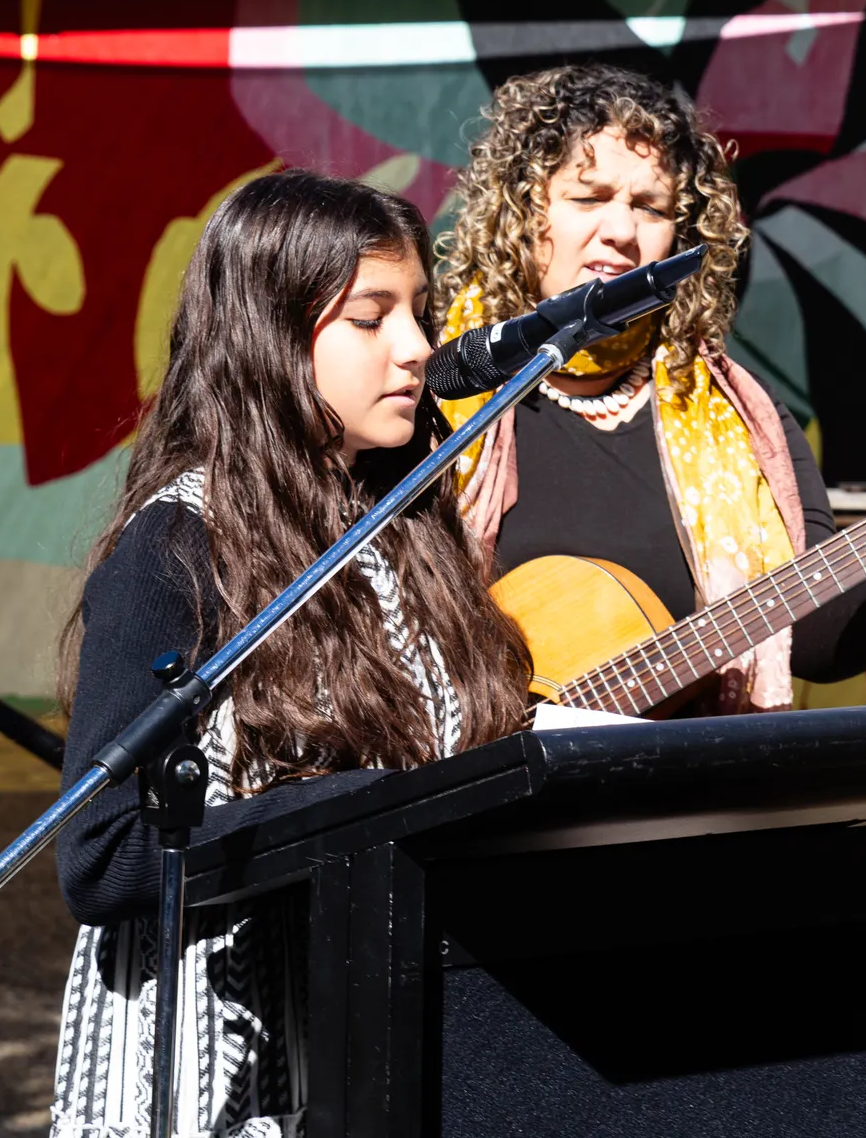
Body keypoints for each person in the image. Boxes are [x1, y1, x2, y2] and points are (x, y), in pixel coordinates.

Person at [48, 171, 531, 1137]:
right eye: (370, 317)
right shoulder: (179, 549)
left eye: (420, 313)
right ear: (269, 336)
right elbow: (100, 859)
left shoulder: (407, 528)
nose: (418, 350)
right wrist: (373, 810)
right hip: (218, 1073)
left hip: (379, 1022)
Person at [435, 63, 866, 713]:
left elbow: (812, 636)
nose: (622, 232)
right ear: (520, 208)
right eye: (588, 197)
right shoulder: (433, 395)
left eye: (650, 207)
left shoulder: (742, 417)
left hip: (684, 793)